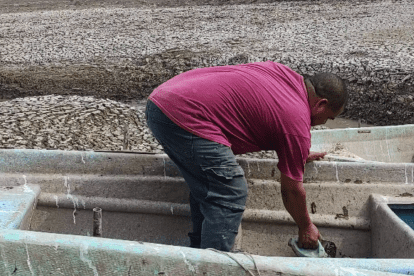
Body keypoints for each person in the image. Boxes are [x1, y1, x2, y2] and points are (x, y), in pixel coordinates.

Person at [146, 61, 347, 252]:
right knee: (230, 190)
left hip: (162, 100)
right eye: (328, 118)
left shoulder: (282, 74)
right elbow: (291, 190)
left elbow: (263, 112)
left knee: (210, 185)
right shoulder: (297, 120)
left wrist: (296, 152)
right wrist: (306, 227)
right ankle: (211, 270)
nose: (322, 123)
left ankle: (200, 253)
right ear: (321, 104)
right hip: (183, 113)